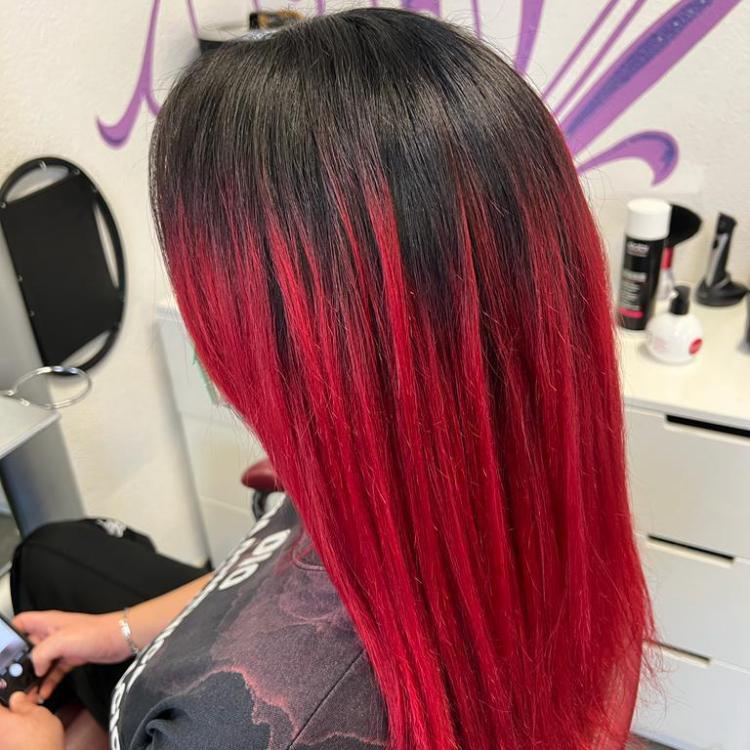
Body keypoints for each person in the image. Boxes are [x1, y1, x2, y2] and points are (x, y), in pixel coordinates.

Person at [0, 8, 651, 750]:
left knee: (44, 562)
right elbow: (269, 574)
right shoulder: (510, 482)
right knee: (49, 558)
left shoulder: (237, 727)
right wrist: (119, 631)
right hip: (240, 627)